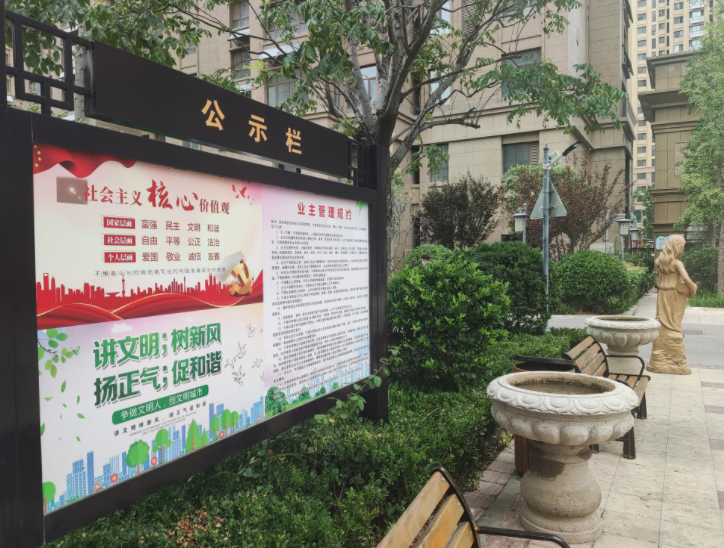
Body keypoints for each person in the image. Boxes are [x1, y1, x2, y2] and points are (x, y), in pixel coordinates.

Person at [647, 235, 697, 374]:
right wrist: (692, 289)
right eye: (681, 246)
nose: (682, 249)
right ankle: (672, 347)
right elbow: (686, 279)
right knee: (675, 321)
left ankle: (662, 356)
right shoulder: (677, 263)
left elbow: (659, 278)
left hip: (662, 294)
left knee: (662, 319)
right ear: (675, 246)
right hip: (675, 295)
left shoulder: (658, 261)